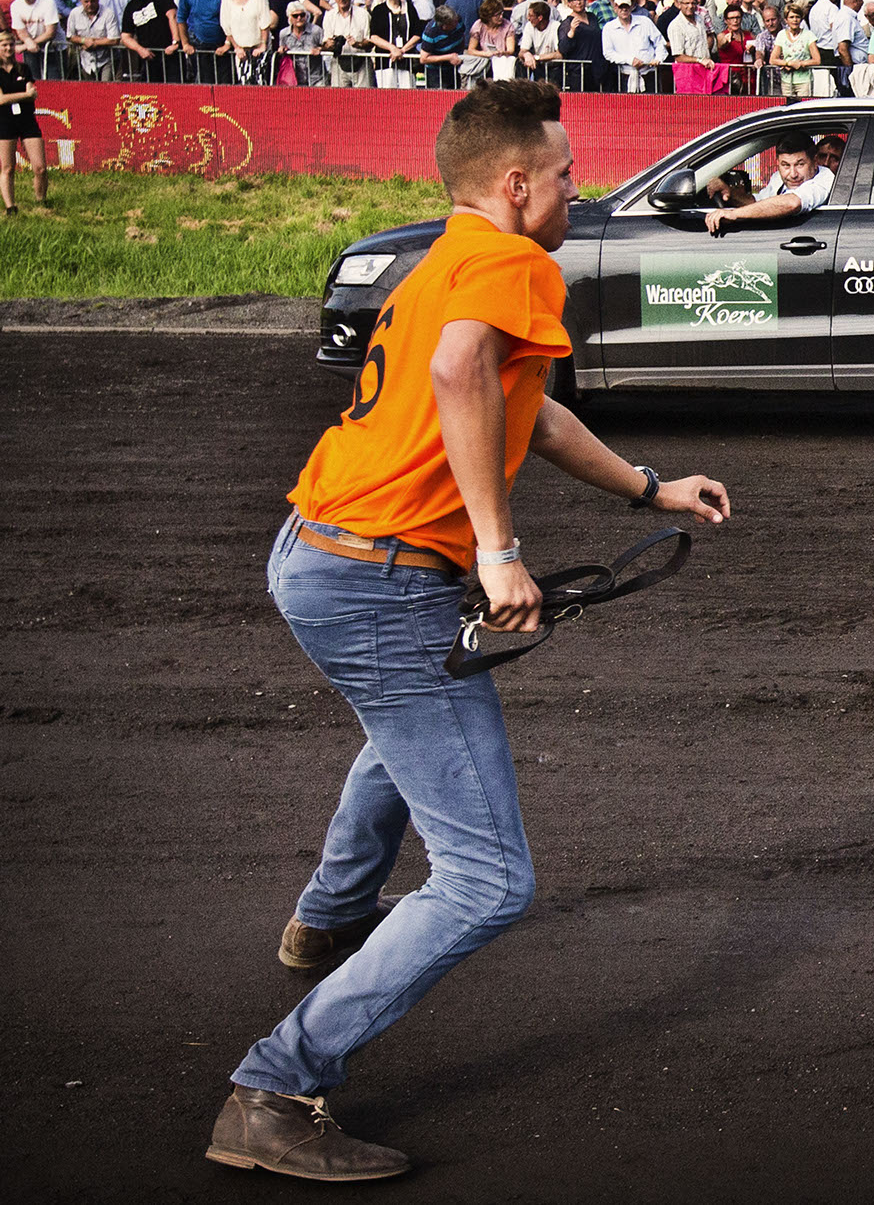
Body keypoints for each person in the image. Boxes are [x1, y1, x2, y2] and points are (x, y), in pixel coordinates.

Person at [207, 80, 729, 1182]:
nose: (579, 190)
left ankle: (327, 920)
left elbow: (526, 409)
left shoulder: (443, 254)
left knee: (406, 725)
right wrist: (497, 549)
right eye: (569, 175)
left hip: (320, 551)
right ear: (517, 183)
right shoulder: (513, 260)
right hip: (380, 575)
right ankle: (275, 1085)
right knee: (488, 880)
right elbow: (458, 375)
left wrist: (651, 488)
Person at [707, 132, 833, 234]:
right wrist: (729, 193)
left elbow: (792, 203)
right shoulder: (778, 178)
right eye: (785, 165)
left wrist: (734, 214)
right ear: (777, 162)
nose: (793, 174)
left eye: (800, 165)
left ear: (815, 161)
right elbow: (758, 203)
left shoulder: (825, 178)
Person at [0, 23, 42, 210]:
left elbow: (33, 93)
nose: (8, 48)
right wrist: (24, 95)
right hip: (5, 121)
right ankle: (11, 207)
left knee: (40, 167)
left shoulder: (24, 68)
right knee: (8, 167)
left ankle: (41, 202)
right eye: (4, 45)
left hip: (26, 119)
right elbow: (1, 100)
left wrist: (21, 96)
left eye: (10, 44)